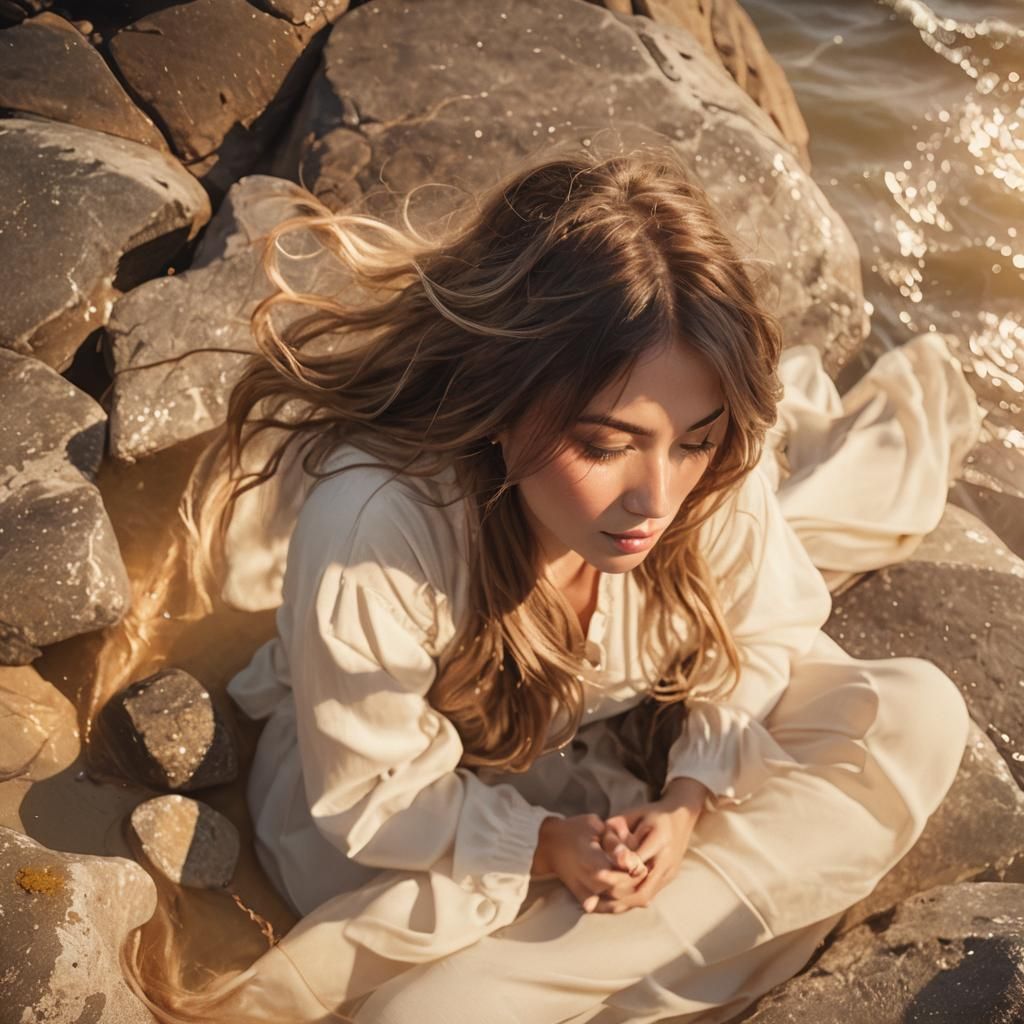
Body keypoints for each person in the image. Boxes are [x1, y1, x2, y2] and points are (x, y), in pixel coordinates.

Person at [118, 144, 980, 1024]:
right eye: (606, 444)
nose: (656, 497)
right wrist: (543, 845)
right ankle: (601, 961)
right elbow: (373, 802)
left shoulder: (708, 464)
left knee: (919, 714)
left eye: (693, 439)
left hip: (609, 764)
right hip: (415, 832)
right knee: (420, 1007)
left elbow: (760, 627)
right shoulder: (377, 521)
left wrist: (688, 802)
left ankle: (553, 970)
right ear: (505, 391)